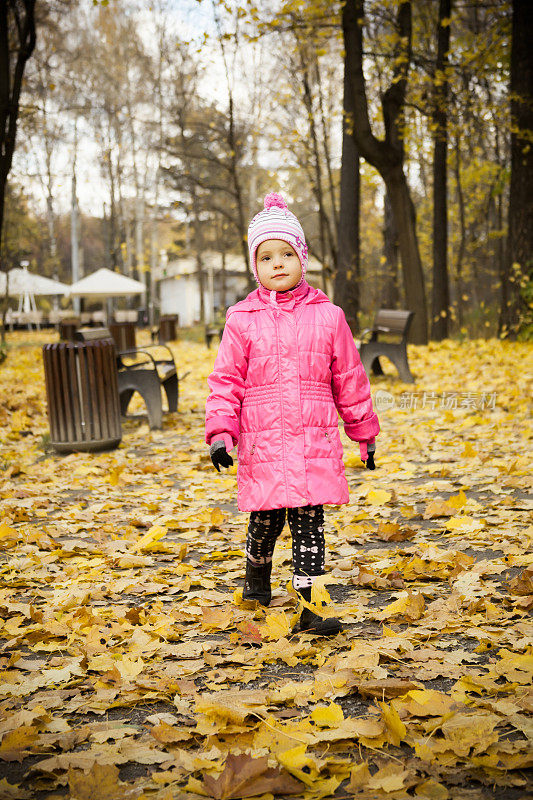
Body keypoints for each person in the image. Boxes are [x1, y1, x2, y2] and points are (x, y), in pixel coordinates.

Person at [205, 193, 380, 636]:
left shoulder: (329, 316)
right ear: (254, 265)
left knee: (309, 527)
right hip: (263, 444)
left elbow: (350, 379)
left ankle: (313, 607)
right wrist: (220, 432)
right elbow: (226, 379)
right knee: (265, 523)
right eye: (266, 256)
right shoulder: (241, 319)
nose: (277, 263)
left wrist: (364, 433)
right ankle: (257, 582)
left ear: (302, 257)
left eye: (286, 253)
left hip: (312, 442)